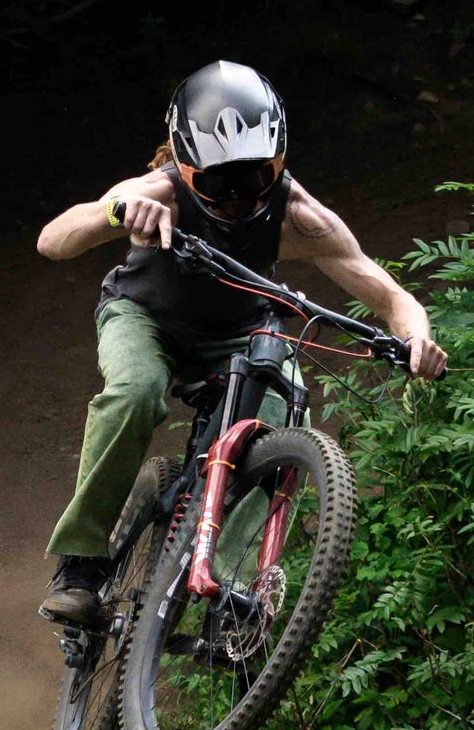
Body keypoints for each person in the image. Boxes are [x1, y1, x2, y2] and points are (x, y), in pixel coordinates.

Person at [35, 59, 448, 625]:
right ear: (184, 164)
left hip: (237, 332)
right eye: (216, 182)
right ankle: (79, 561)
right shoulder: (160, 191)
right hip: (144, 316)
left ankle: (226, 588)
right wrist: (116, 211)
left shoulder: (300, 217)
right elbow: (52, 241)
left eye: (254, 178)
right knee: (135, 391)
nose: (236, 199)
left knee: (283, 412)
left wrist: (418, 339)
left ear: (279, 162)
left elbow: (391, 298)